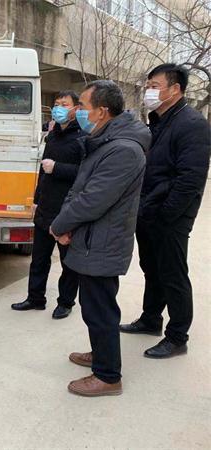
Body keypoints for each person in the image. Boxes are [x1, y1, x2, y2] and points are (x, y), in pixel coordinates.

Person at [50, 80, 150, 397]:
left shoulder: (123, 150)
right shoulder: (105, 142)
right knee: (93, 306)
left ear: (102, 111)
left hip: (103, 241)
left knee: (100, 309)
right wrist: (66, 223)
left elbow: (92, 199)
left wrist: (59, 224)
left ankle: (108, 376)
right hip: (92, 237)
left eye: (83, 106)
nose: (78, 111)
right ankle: (101, 354)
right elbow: (81, 188)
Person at [120, 64, 211, 358]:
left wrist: (166, 214)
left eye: (155, 86)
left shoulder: (192, 124)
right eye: (148, 85)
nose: (149, 91)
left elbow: (190, 179)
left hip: (170, 217)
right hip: (148, 210)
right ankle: (150, 319)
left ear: (175, 89)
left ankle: (177, 337)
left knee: (173, 274)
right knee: (152, 269)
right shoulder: (158, 121)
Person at [12, 91, 82, 319]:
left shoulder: (83, 137)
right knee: (39, 259)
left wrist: (58, 168)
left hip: (67, 209)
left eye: (64, 104)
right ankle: (35, 298)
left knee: (68, 261)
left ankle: (65, 302)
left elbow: (85, 173)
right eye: (56, 104)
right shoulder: (52, 135)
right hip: (45, 206)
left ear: (76, 109)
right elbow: (43, 171)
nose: (59, 108)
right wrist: (36, 199)